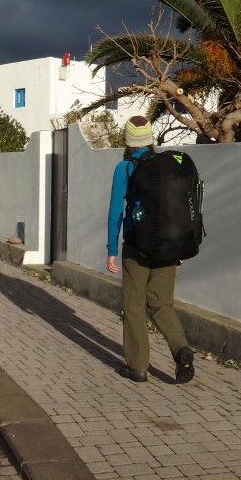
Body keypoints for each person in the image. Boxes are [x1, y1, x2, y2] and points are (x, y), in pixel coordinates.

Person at [106, 115, 195, 384]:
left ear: (128, 140)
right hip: (169, 247)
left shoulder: (124, 168)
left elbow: (115, 213)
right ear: (150, 138)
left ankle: (138, 366)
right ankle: (181, 349)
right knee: (160, 303)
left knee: (133, 306)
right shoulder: (167, 166)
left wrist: (112, 248)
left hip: (137, 248)